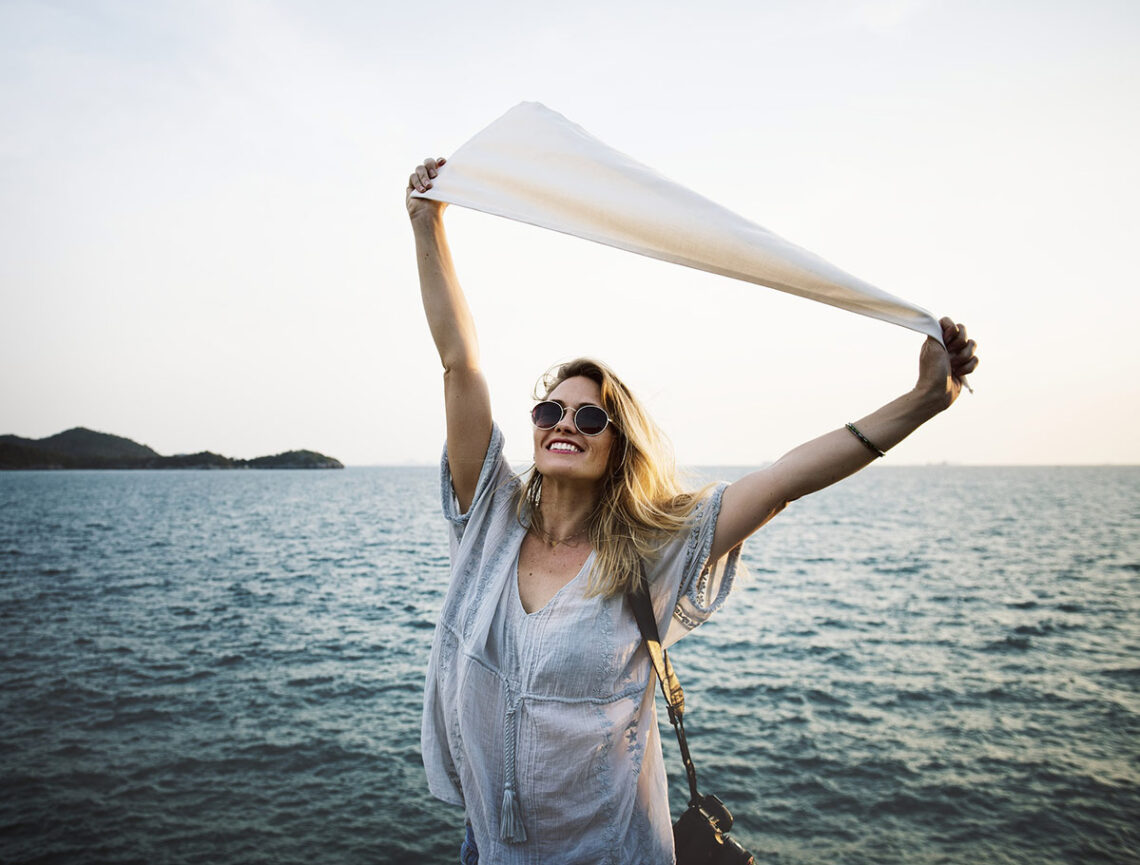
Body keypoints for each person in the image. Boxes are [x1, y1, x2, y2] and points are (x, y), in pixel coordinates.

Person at [407, 156, 979, 865]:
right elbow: (460, 361)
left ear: (617, 447)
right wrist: (427, 222)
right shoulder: (486, 519)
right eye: (553, 408)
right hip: (489, 851)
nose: (567, 422)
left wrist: (922, 402)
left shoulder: (654, 552)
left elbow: (781, 481)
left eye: (592, 417)